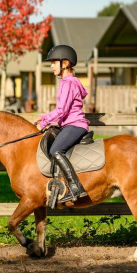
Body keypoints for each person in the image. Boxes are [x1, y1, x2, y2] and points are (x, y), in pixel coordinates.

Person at [35, 44, 89, 203]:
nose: (51, 66)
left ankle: (75, 186)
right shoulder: (73, 81)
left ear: (65, 64)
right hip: (73, 124)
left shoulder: (67, 83)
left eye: (54, 62)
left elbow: (62, 110)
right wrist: (44, 116)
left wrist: (44, 123)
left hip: (75, 125)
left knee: (55, 150)